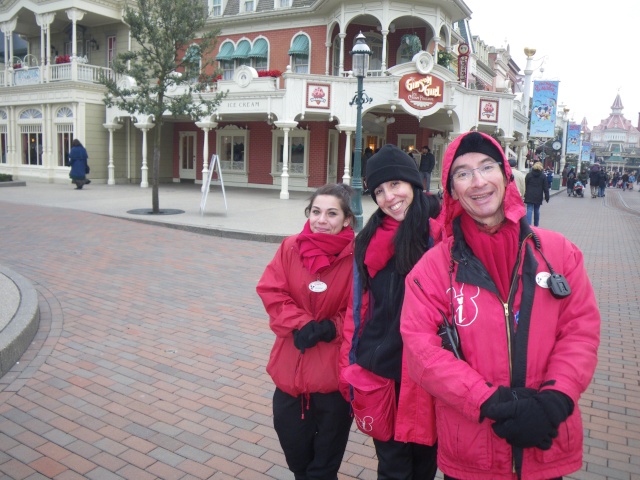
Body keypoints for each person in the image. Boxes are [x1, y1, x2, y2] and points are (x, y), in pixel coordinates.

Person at [400, 131, 600, 480]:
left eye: (486, 167)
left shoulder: (558, 253)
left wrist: (555, 401)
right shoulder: (432, 269)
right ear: (452, 191)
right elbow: (423, 353)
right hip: (472, 451)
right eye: (462, 173)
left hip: (545, 439)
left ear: (506, 175)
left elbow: (580, 332)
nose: (477, 182)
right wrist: (491, 403)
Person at [342, 144, 441, 479]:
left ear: (413, 183)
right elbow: (358, 309)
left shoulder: (437, 235)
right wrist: (350, 363)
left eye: (395, 185)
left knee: (425, 463)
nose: (388, 197)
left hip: (428, 373)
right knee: (393, 465)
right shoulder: (366, 240)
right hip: (381, 368)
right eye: (379, 191)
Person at [256, 183, 355, 480]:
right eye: (316, 211)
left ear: (346, 219)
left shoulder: (358, 257)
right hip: (290, 374)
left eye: (331, 213)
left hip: (334, 381)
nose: (321, 220)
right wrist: (300, 323)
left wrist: (330, 327)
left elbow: (362, 309)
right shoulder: (290, 247)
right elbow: (272, 290)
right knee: (298, 460)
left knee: (323, 469)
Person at [524, 162, 550, 227]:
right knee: (537, 210)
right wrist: (547, 196)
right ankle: (536, 225)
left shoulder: (529, 175)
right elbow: (545, 187)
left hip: (529, 194)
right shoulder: (543, 176)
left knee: (529, 209)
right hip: (538, 195)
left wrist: (525, 193)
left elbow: (525, 184)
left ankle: (528, 225)